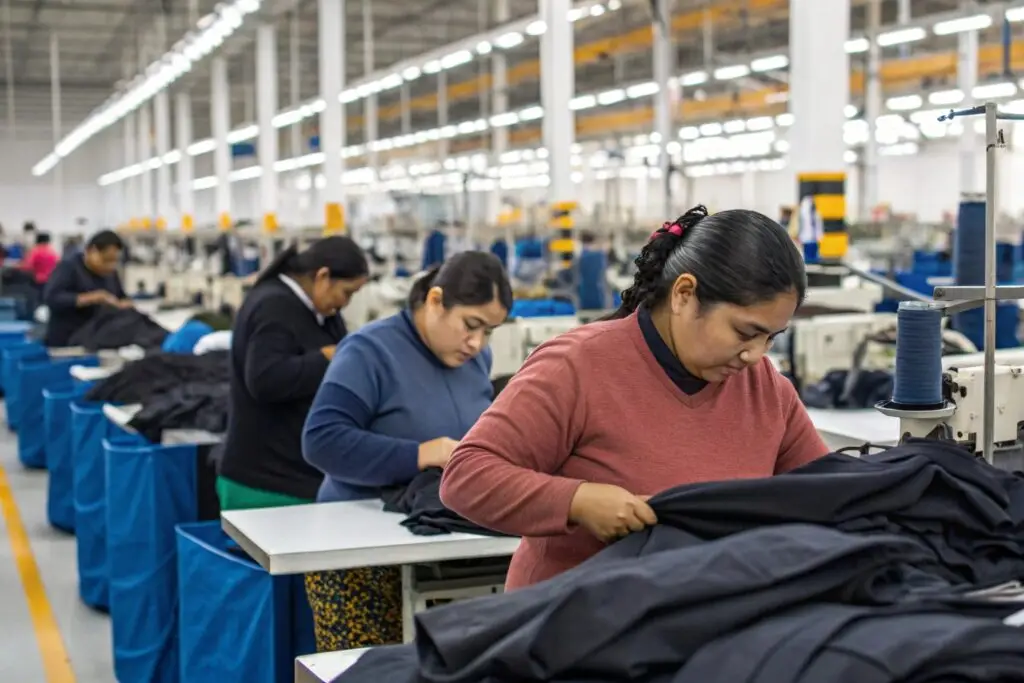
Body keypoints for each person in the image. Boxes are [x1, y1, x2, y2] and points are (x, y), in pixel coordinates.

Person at [439, 205, 830, 591]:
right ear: (684, 294)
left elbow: (827, 496)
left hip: (703, 625)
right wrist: (579, 501)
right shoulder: (577, 367)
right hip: (571, 629)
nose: (757, 355)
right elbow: (467, 475)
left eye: (771, 338)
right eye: (745, 333)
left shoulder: (765, 389)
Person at [302, 250, 512, 652]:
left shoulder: (473, 359)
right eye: (471, 325)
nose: (478, 342)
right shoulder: (368, 351)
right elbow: (321, 440)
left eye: (489, 331)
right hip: (360, 553)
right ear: (435, 301)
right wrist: (421, 454)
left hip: (439, 545)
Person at [217, 236, 369, 512]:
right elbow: (264, 380)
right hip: (265, 482)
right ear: (323, 276)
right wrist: (327, 358)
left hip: (294, 472)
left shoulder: (321, 312)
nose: (346, 302)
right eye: (347, 292)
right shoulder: (275, 305)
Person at [42, 230, 131, 347]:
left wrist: (125, 304)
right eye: (106, 260)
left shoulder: (111, 274)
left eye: (115, 261)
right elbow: (52, 298)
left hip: (98, 339)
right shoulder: (68, 267)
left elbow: (120, 296)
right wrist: (91, 298)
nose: (110, 265)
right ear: (91, 251)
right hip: (67, 342)